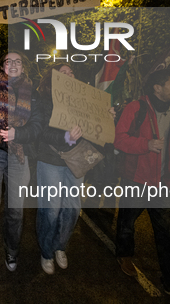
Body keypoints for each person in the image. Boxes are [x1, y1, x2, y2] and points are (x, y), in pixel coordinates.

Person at [114, 69, 170, 303]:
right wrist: (146, 144)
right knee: (127, 223)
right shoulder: (136, 108)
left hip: (163, 185)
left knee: (167, 235)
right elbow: (119, 139)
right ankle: (124, 254)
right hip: (136, 179)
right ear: (157, 88)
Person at [0, 0, 43, 286]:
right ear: (2, 66)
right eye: (7, 60)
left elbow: (38, 125)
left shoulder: (33, 90)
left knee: (15, 211)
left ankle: (12, 251)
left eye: (17, 61)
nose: (12, 64)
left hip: (19, 155)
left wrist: (20, 135)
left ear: (23, 67)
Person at [35, 64, 113, 274]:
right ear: (53, 78)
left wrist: (106, 118)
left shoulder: (84, 103)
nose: (69, 75)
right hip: (51, 160)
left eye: (71, 72)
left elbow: (96, 131)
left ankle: (60, 246)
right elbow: (40, 132)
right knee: (51, 210)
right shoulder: (43, 99)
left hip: (76, 162)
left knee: (71, 209)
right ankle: (46, 251)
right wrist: (65, 137)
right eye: (63, 73)